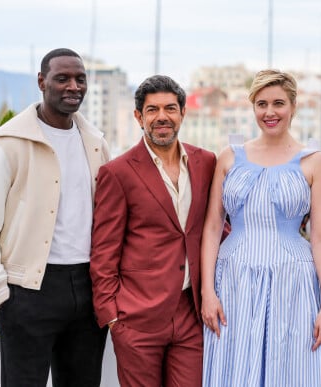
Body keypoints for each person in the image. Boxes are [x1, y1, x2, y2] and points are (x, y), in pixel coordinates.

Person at [0, 48, 110, 386]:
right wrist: (0, 292)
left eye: (80, 79)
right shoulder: (8, 145)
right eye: (62, 78)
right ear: (41, 81)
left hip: (87, 287)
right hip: (28, 290)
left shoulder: (96, 142)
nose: (73, 86)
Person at [200, 69, 321, 386]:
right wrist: (208, 291)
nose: (270, 112)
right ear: (252, 107)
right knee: (234, 370)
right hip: (234, 280)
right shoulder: (229, 157)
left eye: (278, 103)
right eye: (261, 104)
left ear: (293, 106)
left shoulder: (314, 161)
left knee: (292, 371)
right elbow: (211, 228)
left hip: (294, 282)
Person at [89, 75, 217, 387]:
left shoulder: (206, 163)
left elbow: (218, 225)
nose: (162, 116)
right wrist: (113, 317)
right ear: (139, 117)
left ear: (183, 113)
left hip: (190, 312)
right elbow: (104, 250)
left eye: (170, 108)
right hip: (136, 317)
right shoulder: (117, 173)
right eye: (152, 110)